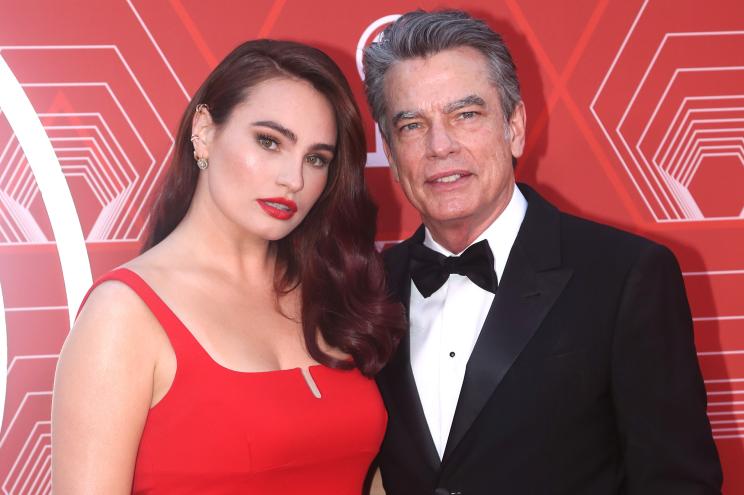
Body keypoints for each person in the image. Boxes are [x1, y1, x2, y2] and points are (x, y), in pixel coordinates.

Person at [363, 9, 722, 495]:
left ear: (514, 126)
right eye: (412, 126)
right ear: (390, 148)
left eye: (465, 115)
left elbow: (677, 483)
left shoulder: (625, 276)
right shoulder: (367, 288)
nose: (439, 146)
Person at [52, 39, 403, 494]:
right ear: (205, 130)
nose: (292, 180)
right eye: (269, 141)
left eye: (316, 159)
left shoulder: (333, 289)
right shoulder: (123, 317)